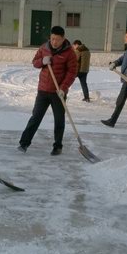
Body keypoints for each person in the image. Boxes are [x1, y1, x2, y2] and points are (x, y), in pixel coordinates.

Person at [18, 26, 78, 156]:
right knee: (35, 117)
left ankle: (57, 146)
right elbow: (35, 62)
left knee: (59, 120)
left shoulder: (69, 53)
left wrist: (63, 88)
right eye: (52, 38)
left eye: (57, 39)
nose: (54, 42)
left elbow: (72, 72)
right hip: (43, 90)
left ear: (63, 39)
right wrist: (42, 61)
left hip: (58, 92)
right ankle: (24, 143)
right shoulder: (44, 48)